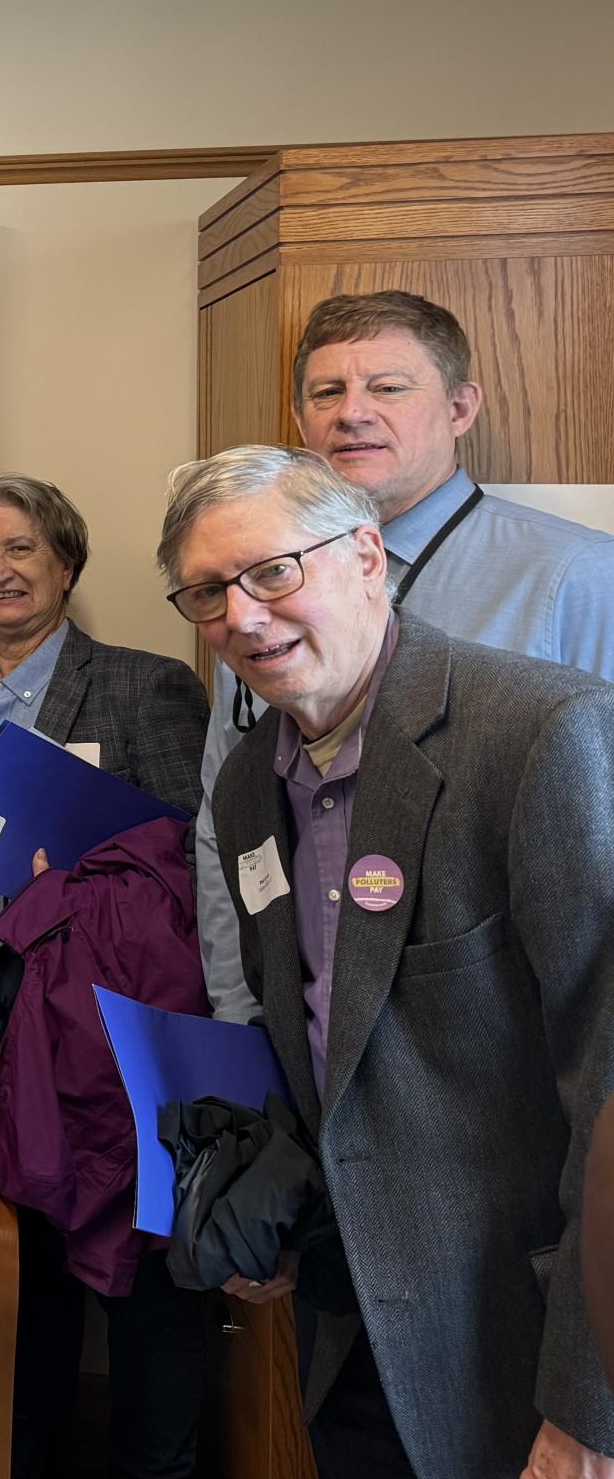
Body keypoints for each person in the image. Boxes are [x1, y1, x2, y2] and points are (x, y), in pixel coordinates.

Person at [162, 444, 614, 1479]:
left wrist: (592, 1403)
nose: (242, 616)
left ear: (366, 555)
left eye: (272, 571)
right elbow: (321, 1038)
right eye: (207, 592)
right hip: (350, 1328)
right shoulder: (245, 786)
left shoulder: (541, 734)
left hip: (524, 1342)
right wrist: (275, 1211)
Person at [192, 291, 614, 1023]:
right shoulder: (249, 592)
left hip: (493, 1047)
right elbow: (224, 822)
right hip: (298, 1037)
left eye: (388, 387)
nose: (352, 412)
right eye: (327, 392)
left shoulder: (577, 578)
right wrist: (240, 1013)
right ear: (300, 419)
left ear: (460, 408)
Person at [0, 475, 210, 1479]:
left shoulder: (146, 688)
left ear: (65, 565)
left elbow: (193, 869)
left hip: (118, 1041)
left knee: (146, 1282)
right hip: (3, 1027)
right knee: (33, 1273)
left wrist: (80, 892)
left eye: (21, 551)